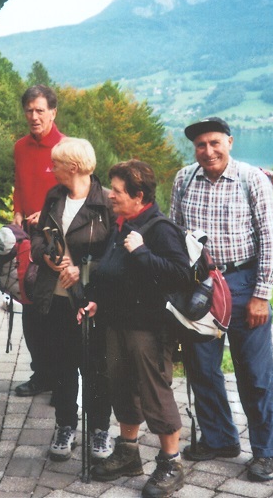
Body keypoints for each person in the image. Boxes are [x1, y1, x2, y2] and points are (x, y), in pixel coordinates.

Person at [169, 117, 273, 482]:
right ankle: (220, 439)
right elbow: (173, 233)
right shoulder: (183, 178)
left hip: (243, 281)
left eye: (215, 143)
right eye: (201, 145)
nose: (208, 151)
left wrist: (261, 296)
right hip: (199, 285)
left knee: (254, 371)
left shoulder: (252, 179)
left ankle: (268, 451)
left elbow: (270, 239)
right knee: (202, 367)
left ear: (230, 142)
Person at [89, 160, 190, 498]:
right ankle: (128, 453)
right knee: (122, 387)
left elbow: (179, 274)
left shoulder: (160, 229)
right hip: (116, 322)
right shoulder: (123, 223)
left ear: (139, 195)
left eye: (116, 191)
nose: (110, 196)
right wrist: (96, 301)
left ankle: (171, 463)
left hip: (148, 328)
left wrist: (143, 252)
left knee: (154, 391)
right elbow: (112, 270)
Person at [27, 138, 114, 462]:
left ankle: (99, 429)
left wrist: (83, 270)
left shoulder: (105, 203)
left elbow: (113, 253)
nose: (52, 169)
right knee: (62, 366)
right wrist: (46, 258)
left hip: (90, 300)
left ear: (74, 167)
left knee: (95, 368)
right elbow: (40, 237)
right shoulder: (55, 196)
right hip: (56, 299)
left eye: (57, 164)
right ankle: (65, 425)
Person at [12, 84, 65, 398]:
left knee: (55, 309)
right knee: (30, 309)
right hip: (28, 237)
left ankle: (61, 379)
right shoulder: (20, 147)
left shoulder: (65, 148)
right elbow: (19, 183)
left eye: (40, 110)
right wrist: (18, 210)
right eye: (29, 111)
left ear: (53, 112)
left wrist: (44, 215)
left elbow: (76, 194)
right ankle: (41, 375)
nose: (34, 116)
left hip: (57, 237)